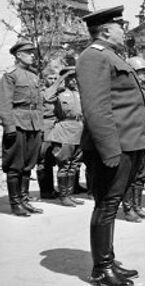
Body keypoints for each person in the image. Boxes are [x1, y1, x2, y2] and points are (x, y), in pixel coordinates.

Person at [77, 5, 145, 285]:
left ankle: (108, 263)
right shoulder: (93, 57)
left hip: (128, 144)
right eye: (121, 26)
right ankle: (102, 268)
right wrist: (110, 150)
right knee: (106, 205)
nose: (125, 30)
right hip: (113, 147)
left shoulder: (110, 56)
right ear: (106, 31)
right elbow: (96, 109)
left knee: (111, 204)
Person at [0, 39, 44, 216]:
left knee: (28, 164)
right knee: (15, 165)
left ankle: (25, 200)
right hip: (17, 123)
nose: (33, 55)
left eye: (33, 52)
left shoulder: (33, 76)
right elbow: (4, 103)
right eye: (29, 52)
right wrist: (9, 126)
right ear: (18, 55)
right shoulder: (10, 75)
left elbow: (39, 103)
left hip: (33, 124)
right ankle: (15, 203)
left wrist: (40, 125)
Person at [120, 56, 145, 222]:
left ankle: (138, 206)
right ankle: (128, 209)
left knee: (142, 174)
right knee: (129, 176)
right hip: (132, 137)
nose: (143, 77)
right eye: (139, 73)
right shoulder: (125, 91)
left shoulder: (142, 91)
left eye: (144, 73)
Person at [47, 66, 85, 207]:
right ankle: (63, 196)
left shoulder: (80, 92)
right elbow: (47, 97)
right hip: (64, 130)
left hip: (79, 130)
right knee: (64, 164)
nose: (73, 80)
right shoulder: (59, 93)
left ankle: (70, 194)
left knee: (73, 164)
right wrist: (60, 80)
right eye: (70, 77)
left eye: (75, 77)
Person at [38, 67, 62, 199]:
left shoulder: (59, 91)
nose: (53, 81)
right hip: (46, 125)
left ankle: (64, 188)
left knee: (58, 157)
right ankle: (46, 190)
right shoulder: (42, 92)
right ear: (44, 79)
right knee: (44, 159)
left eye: (55, 78)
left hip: (57, 125)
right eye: (50, 78)